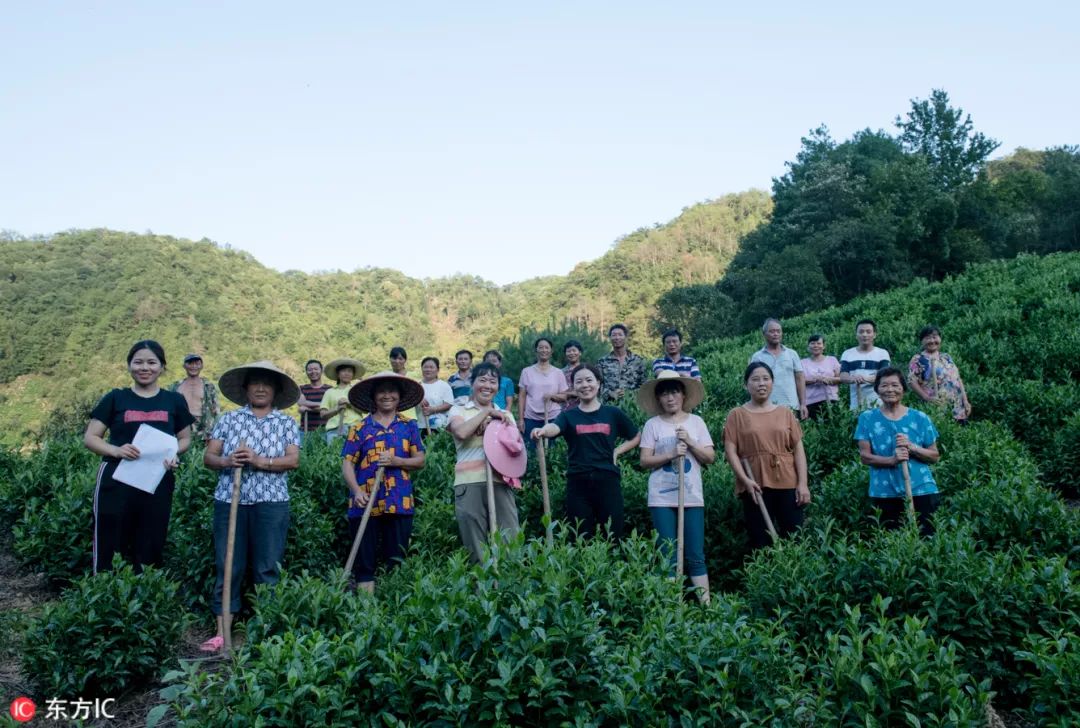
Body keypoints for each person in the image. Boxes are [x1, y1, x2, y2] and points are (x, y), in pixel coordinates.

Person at [201, 360, 301, 652]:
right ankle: (222, 633)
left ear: (275, 390)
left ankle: (264, 629)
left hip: (271, 503)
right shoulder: (229, 420)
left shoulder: (286, 422)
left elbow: (292, 460)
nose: (260, 388)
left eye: (266, 383)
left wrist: (259, 461)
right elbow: (210, 457)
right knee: (228, 564)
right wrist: (227, 461)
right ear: (245, 389)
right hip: (229, 500)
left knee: (267, 567)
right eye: (255, 383)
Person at [84, 340, 194, 573]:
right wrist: (116, 450)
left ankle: (144, 596)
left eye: (152, 362)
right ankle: (107, 591)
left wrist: (173, 452)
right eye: (138, 362)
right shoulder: (115, 398)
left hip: (157, 479)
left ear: (162, 367)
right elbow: (91, 437)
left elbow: (185, 438)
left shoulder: (173, 401)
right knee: (110, 536)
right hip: (116, 478)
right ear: (129, 366)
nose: (145, 367)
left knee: (151, 537)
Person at [532, 364, 640, 541]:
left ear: (598, 383)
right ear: (574, 387)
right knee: (580, 536)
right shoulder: (568, 415)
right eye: (579, 382)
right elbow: (555, 427)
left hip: (608, 480)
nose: (585, 385)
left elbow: (636, 436)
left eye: (589, 380)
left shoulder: (612, 413)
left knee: (613, 534)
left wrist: (616, 451)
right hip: (578, 482)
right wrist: (543, 430)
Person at [341, 371, 426, 592]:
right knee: (364, 561)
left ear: (399, 396)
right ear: (373, 396)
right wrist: (356, 491)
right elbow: (347, 463)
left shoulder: (409, 426)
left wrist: (397, 460)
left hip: (399, 501)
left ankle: (393, 614)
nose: (387, 395)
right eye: (381, 391)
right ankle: (366, 616)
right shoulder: (359, 428)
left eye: (392, 391)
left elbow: (420, 461)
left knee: (396, 560)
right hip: (365, 501)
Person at [637, 371, 714, 603]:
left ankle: (707, 609)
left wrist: (690, 442)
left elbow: (710, 457)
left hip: (691, 496)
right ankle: (672, 608)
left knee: (695, 555)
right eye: (664, 394)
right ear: (658, 398)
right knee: (667, 553)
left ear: (683, 395)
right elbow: (644, 461)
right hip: (661, 497)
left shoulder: (696, 422)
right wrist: (670, 453)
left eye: (674, 392)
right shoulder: (653, 425)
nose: (670, 398)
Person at [723, 362, 810, 550]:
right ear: (745, 385)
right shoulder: (736, 414)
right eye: (755, 379)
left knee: (794, 536)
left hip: (788, 481)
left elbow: (798, 450)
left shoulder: (785, 412)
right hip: (755, 484)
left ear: (772, 382)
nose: (761, 383)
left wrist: (802, 484)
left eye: (766, 379)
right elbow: (730, 451)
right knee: (759, 540)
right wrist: (745, 480)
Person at [855, 367, 941, 536]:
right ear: (877, 390)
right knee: (891, 543)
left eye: (895, 385)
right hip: (884, 492)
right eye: (884, 385)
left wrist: (912, 447)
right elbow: (865, 457)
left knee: (927, 540)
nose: (890, 390)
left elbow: (934, 456)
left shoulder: (920, 417)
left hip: (921, 489)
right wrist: (892, 460)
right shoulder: (867, 418)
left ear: (903, 388)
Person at [449, 363, 521, 563]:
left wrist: (496, 426)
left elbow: (515, 450)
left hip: (500, 481)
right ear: (472, 384)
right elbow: (461, 432)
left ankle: (507, 589)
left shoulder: (506, 415)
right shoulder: (459, 409)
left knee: (510, 539)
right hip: (468, 482)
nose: (487, 385)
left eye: (492, 381)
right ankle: (482, 590)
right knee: (475, 543)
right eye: (482, 380)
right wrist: (486, 414)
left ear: (498, 386)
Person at [908, 326, 972, 424]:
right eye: (928, 338)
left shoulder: (946, 357)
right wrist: (927, 398)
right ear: (922, 341)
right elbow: (912, 382)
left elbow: (957, 379)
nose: (932, 340)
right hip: (937, 406)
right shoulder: (918, 359)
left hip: (958, 407)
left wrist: (966, 401)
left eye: (935, 337)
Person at [749, 319, 808, 420]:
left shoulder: (792, 354)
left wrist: (803, 404)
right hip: (766, 407)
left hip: (791, 406)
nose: (776, 334)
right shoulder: (757, 357)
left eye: (778, 331)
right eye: (772, 331)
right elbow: (753, 382)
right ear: (764, 334)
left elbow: (800, 379)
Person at [517, 338, 566, 446]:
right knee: (532, 452)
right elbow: (522, 396)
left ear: (551, 351)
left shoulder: (558, 373)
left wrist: (552, 396)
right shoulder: (526, 371)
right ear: (536, 350)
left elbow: (564, 397)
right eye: (541, 347)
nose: (544, 350)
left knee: (553, 452)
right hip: (531, 418)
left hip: (553, 418)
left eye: (547, 347)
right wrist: (520, 419)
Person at [167, 353, 221, 442]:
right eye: (190, 363)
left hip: (203, 428)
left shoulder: (208, 386)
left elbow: (216, 410)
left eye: (197, 363)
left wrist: (215, 431)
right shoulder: (175, 386)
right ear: (184, 366)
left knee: (201, 454)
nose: (194, 366)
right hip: (181, 425)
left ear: (202, 366)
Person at [840, 319, 891, 410]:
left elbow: (884, 376)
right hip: (856, 405)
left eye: (868, 332)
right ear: (856, 335)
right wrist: (853, 378)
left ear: (874, 334)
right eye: (861, 332)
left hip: (879, 403)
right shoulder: (847, 354)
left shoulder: (882, 353)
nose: (864, 335)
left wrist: (864, 378)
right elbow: (843, 376)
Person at [597, 324, 648, 403]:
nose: (617, 338)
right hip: (609, 405)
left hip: (632, 406)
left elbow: (645, 386)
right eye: (614, 335)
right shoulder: (602, 362)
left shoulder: (638, 361)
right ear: (610, 338)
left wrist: (629, 394)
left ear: (626, 337)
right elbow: (597, 385)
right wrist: (610, 393)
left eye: (620, 335)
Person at [320, 358, 365, 443]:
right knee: (334, 455)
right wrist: (337, 408)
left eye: (349, 371)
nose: (347, 373)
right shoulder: (329, 392)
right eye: (343, 371)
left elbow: (364, 410)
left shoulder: (357, 391)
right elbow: (323, 414)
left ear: (353, 374)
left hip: (355, 429)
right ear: (338, 374)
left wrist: (350, 403)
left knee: (354, 455)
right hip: (334, 430)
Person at [801, 334, 841, 420]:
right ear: (808, 346)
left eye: (819, 343)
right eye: (812, 343)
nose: (816, 346)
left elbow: (840, 378)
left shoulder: (832, 360)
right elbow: (800, 381)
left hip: (831, 399)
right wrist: (816, 380)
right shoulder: (803, 362)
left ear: (824, 346)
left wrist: (827, 379)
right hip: (811, 402)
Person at [416, 356, 454, 436]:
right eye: (425, 367)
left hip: (440, 427)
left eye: (431, 367)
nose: (428, 369)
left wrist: (433, 410)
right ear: (422, 369)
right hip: (421, 426)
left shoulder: (444, 385)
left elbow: (449, 404)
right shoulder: (417, 386)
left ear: (437, 370)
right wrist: (418, 398)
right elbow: (410, 401)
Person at [297, 359, 331, 437]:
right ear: (306, 372)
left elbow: (330, 408)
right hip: (305, 431)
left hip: (325, 431)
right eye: (310, 370)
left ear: (321, 371)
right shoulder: (301, 388)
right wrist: (323, 406)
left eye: (316, 369)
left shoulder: (329, 389)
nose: (313, 372)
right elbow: (301, 403)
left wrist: (308, 409)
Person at [388, 348, 417, 421]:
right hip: (390, 417)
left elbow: (418, 395)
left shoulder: (413, 376)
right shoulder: (386, 377)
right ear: (390, 359)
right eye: (394, 358)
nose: (397, 361)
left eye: (400, 359)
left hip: (409, 417)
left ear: (405, 360)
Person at [559, 340, 583, 411]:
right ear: (565, 354)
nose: (571, 353)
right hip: (564, 409)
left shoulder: (586, 370)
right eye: (568, 351)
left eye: (574, 350)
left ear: (580, 353)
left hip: (583, 407)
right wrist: (572, 394)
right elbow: (557, 391)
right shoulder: (560, 372)